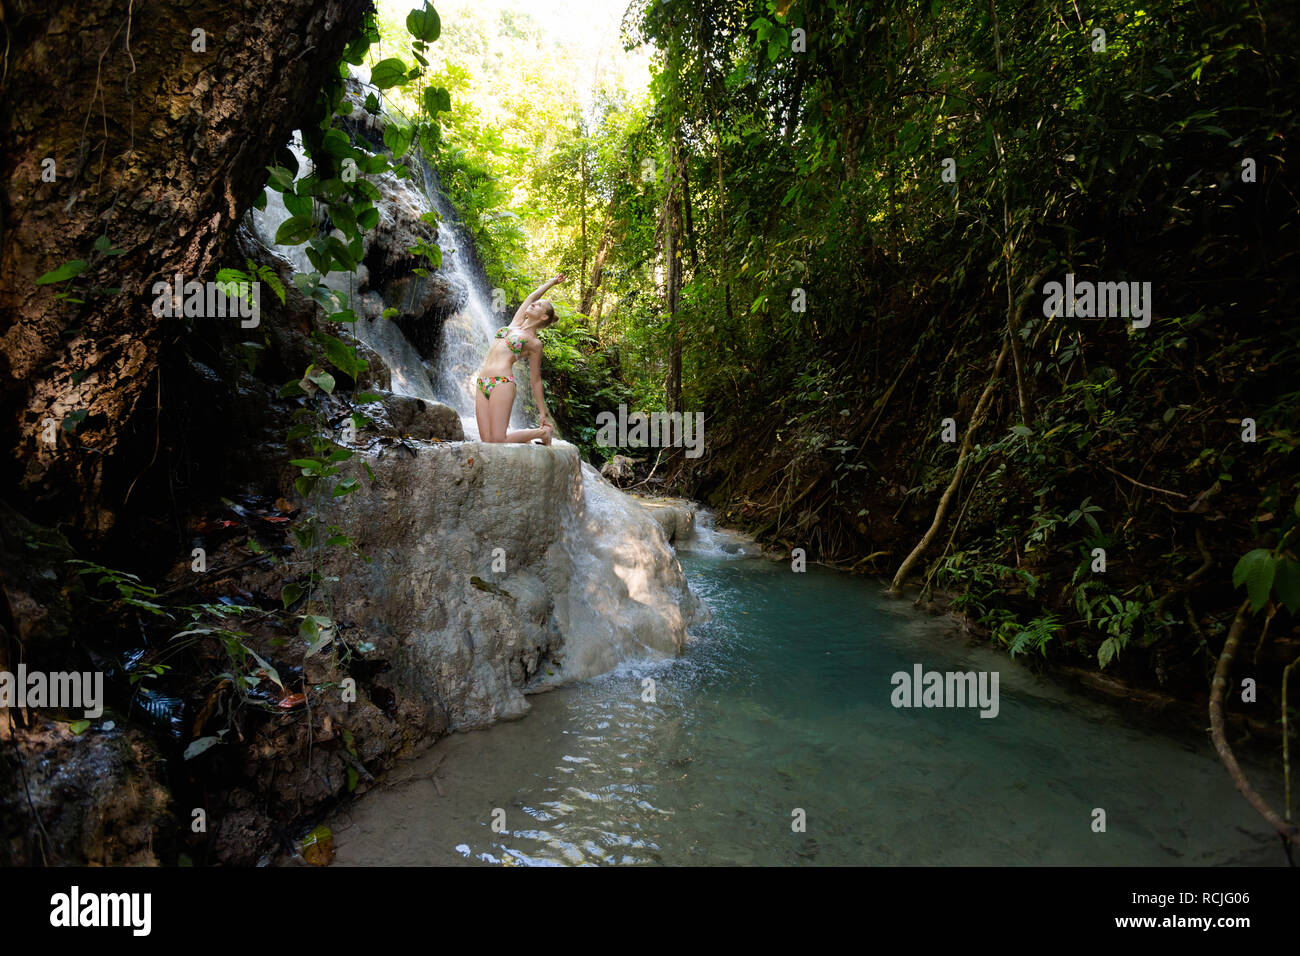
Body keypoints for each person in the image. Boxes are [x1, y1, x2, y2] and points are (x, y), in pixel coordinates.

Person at [474, 273, 564, 444]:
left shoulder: (534, 343)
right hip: (481, 382)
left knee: (498, 440)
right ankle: (537, 435)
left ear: (543, 317)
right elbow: (532, 297)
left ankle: (542, 433)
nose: (534, 304)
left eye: (539, 306)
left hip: (502, 382)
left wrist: (542, 412)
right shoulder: (515, 323)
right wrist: (551, 283)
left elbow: (536, 380)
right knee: (487, 441)